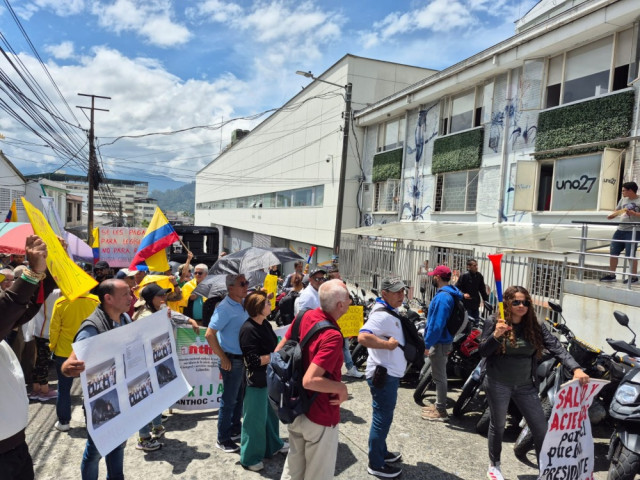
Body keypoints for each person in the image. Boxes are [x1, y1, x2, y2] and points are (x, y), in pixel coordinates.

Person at [480, 286, 589, 480]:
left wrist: (576, 368)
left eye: (525, 302)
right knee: (498, 426)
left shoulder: (534, 325)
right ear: (508, 304)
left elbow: (556, 347)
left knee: (541, 428)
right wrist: (496, 335)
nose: (521, 306)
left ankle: (544, 469)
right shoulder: (494, 322)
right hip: (498, 383)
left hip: (525, 385)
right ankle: (494, 465)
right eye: (516, 302)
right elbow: (483, 351)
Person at [61, 279, 135, 480]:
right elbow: (71, 362)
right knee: (95, 451)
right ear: (108, 298)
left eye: (130, 293)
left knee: (119, 443)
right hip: (101, 402)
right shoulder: (92, 327)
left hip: (122, 395)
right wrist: (67, 368)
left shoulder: (125, 318)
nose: (131, 298)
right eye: (125, 295)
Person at [277, 279, 350, 480]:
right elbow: (311, 380)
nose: (351, 301)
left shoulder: (304, 316)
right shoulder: (332, 335)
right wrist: (341, 388)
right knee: (318, 474)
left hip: (295, 406)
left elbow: (278, 352)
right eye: (348, 298)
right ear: (340, 305)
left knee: (293, 469)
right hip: (319, 413)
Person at [0, 235, 56, 480]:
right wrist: (34, 272)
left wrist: (49, 266)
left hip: (14, 446)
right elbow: (10, 308)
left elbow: (24, 308)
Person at [131, 283, 199, 451]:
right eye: (160, 296)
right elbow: (151, 337)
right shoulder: (146, 315)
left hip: (158, 361)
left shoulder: (159, 310)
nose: (164, 298)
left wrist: (189, 320)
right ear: (150, 299)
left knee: (158, 396)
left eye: (164, 295)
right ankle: (144, 437)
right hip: (146, 364)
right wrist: (165, 320)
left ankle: (156, 426)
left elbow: (174, 315)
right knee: (147, 400)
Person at [357, 277, 406, 478]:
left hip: (388, 373)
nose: (401, 295)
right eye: (396, 292)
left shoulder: (388, 310)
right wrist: (386, 345)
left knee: (384, 417)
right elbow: (363, 337)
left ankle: (381, 452)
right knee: (382, 419)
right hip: (384, 375)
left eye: (403, 291)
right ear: (384, 293)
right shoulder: (381, 315)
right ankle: (376, 464)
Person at [238, 290, 288, 471]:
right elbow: (252, 360)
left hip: (269, 377)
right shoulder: (248, 329)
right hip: (255, 381)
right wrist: (275, 356)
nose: (270, 305)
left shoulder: (265, 323)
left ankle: (273, 445)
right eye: (267, 303)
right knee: (254, 420)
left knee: (271, 416)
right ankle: (249, 457)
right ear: (259, 308)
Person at [205, 273, 249, 453]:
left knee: (239, 398)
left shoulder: (242, 304)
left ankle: (234, 429)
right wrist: (223, 358)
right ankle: (222, 438)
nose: (246, 286)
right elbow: (209, 334)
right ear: (231, 288)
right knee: (229, 400)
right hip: (232, 359)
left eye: (246, 283)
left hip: (242, 359)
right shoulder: (224, 308)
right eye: (242, 283)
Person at [49, 291, 101, 432]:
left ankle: (64, 422)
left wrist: (52, 346)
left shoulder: (60, 302)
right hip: (89, 351)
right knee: (91, 388)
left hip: (64, 352)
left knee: (64, 388)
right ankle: (91, 420)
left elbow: (54, 328)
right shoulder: (96, 300)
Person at [421, 265, 463, 422]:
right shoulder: (449, 294)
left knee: (439, 377)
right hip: (444, 340)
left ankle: (441, 411)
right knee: (438, 375)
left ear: (437, 278)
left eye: (433, 276)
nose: (432, 278)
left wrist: (427, 344)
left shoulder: (442, 297)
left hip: (440, 341)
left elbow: (436, 325)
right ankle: (439, 406)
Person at [602, 181, 640, 283]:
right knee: (613, 252)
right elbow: (617, 210)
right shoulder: (623, 199)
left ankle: (633, 277)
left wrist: (634, 214)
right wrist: (612, 215)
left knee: (630, 254)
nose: (622, 192)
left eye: (624, 190)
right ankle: (612, 275)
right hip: (620, 229)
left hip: (634, 230)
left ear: (630, 191)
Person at [29, 287, 62, 402]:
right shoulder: (54, 293)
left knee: (38, 361)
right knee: (43, 362)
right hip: (47, 331)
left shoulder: (37, 291)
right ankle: (44, 391)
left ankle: (36, 389)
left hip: (37, 329)